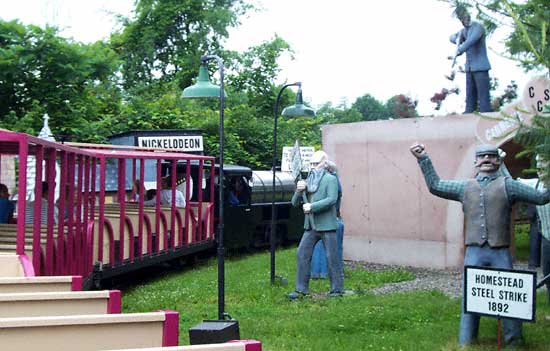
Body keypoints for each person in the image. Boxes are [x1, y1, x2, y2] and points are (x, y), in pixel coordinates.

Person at [410, 143, 550, 347]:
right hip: (474, 252)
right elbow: (436, 185)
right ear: (475, 161)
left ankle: (514, 341)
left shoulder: (509, 185)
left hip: (500, 252)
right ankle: (467, 341)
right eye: (482, 156)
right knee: (471, 297)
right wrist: (423, 159)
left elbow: (540, 197)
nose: (486, 159)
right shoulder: (465, 187)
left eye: (491, 156)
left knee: (509, 297)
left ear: (498, 161)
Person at [286, 151, 344, 299]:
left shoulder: (330, 179)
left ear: (324, 163)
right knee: (302, 254)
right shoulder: (308, 180)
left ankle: (337, 289)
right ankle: (301, 290)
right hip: (311, 226)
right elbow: (294, 203)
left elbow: (331, 199)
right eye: (311, 164)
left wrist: (312, 206)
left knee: (332, 257)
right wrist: (299, 191)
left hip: (327, 225)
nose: (313, 167)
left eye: (316, 163)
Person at [450, 5, 492, 113]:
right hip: (469, 69)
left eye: (464, 17)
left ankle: (487, 121)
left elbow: (470, 42)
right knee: (470, 100)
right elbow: (451, 37)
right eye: (461, 19)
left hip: (480, 68)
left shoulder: (478, 28)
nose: (464, 20)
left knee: (484, 101)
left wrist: (459, 50)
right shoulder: (464, 31)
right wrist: (457, 39)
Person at [311, 160, 344, 279]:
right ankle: (331, 274)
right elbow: (334, 199)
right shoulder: (333, 180)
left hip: (318, 219)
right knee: (334, 249)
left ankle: (316, 272)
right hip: (332, 218)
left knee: (317, 247)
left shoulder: (317, 182)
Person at [535, 156, 550, 304]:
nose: (539, 163)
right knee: (547, 273)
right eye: (537, 161)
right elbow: (511, 184)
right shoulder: (536, 184)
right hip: (546, 237)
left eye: (543, 160)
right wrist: (500, 163)